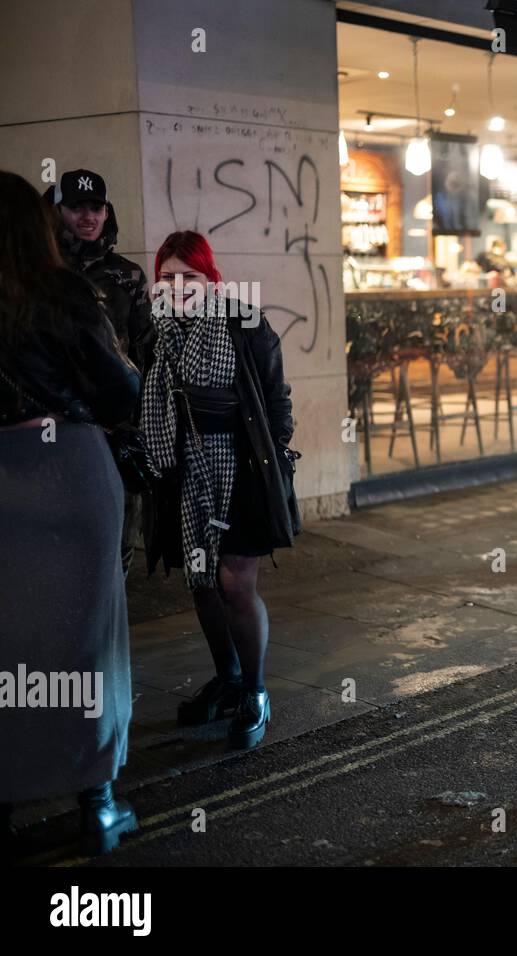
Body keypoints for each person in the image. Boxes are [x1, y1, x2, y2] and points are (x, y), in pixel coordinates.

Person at [0, 170, 141, 856]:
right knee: (88, 638)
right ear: (39, 226)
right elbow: (120, 394)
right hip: (67, 473)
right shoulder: (67, 291)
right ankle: (98, 800)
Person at [140, 231, 301, 750]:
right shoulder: (155, 332)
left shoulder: (245, 322)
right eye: (168, 277)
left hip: (241, 471)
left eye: (190, 276)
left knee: (235, 584)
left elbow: (277, 400)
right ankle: (227, 677)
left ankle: (255, 690)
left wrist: (269, 455)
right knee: (201, 582)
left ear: (212, 279)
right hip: (182, 472)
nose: (179, 286)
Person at [46, 169, 155, 575]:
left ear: (107, 212)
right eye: (77, 207)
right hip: (56, 429)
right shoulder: (41, 271)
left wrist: (141, 423)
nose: (88, 216)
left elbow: (147, 349)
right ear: (59, 212)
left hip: (115, 431)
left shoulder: (127, 276)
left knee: (116, 543)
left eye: (96, 207)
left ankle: (107, 632)